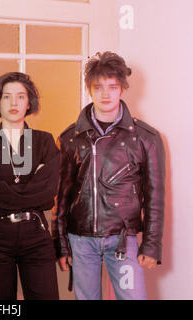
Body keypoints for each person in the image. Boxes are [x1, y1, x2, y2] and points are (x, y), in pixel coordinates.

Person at [56, 51, 165, 300]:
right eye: (98, 87)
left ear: (122, 90)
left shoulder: (145, 137)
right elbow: (61, 197)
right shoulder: (70, 137)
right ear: (89, 90)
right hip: (81, 241)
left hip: (123, 241)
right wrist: (61, 244)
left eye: (112, 87)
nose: (105, 94)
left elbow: (155, 197)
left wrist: (151, 244)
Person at [0, 72, 60, 300]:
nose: (14, 103)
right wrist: (32, 190)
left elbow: (48, 194)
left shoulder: (44, 141)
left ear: (29, 102)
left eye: (20, 97)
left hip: (36, 234)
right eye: (6, 97)